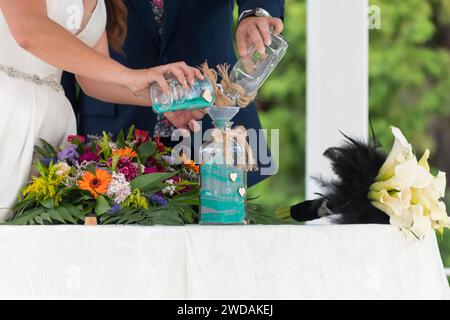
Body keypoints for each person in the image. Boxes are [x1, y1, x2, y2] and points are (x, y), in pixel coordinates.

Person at [0, 0, 202, 222]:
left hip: (51, 129)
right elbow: (29, 30)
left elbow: (94, 81)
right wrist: (130, 75)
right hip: (9, 114)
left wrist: (160, 96)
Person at [63, 0, 285, 186]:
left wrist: (256, 13)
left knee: (223, 231)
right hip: (113, 128)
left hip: (214, 123)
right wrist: (61, 134)